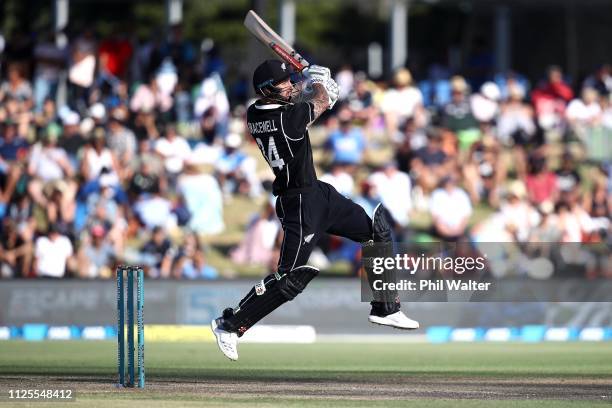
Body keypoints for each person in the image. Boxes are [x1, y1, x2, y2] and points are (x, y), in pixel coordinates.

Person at [211, 60, 419, 361]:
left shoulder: (255, 112)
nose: (292, 85)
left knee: (376, 233)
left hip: (317, 192)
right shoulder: (287, 121)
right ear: (268, 90)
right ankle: (230, 325)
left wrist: (314, 85)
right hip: (298, 204)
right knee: (290, 279)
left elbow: (310, 102)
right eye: (285, 82)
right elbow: (319, 102)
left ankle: (386, 308)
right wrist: (320, 83)